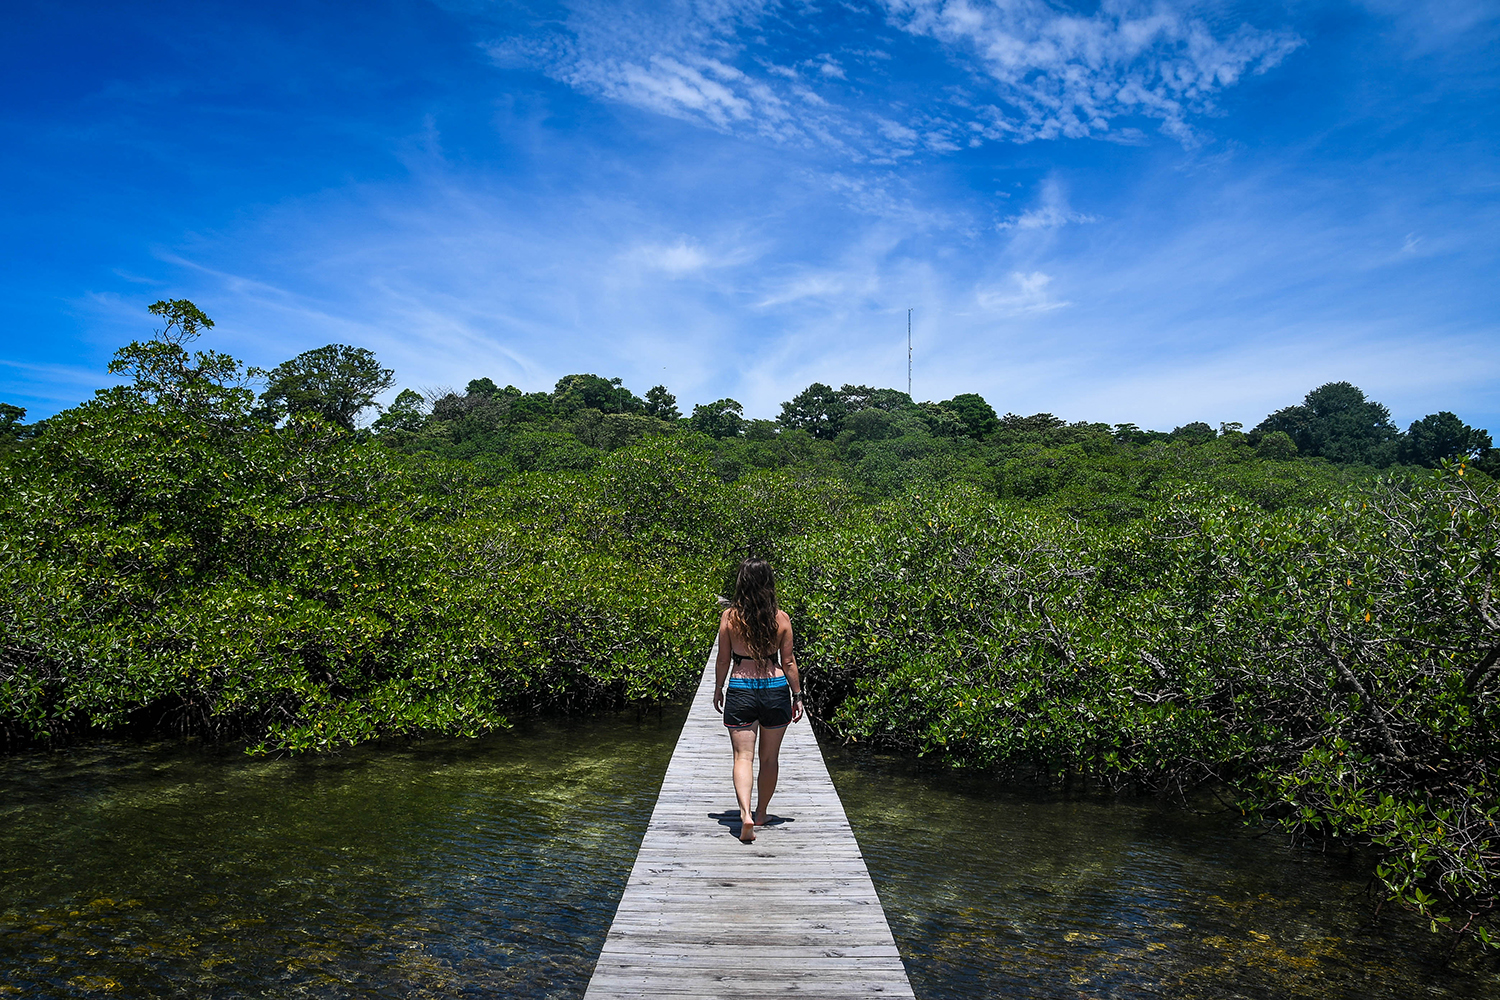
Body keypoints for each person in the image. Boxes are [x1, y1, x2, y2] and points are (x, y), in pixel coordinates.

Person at [713, 558, 805, 843]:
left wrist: (718, 689)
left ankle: (744, 814)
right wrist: (798, 695)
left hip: (741, 686)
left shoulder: (730, 617)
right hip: (775, 687)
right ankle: (762, 812)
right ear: (768, 582)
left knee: (743, 757)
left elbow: (724, 659)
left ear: (742, 582)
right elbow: (788, 662)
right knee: (769, 758)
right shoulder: (782, 618)